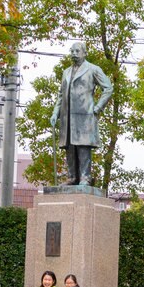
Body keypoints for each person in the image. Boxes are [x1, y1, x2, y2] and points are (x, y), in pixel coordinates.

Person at [50, 40, 113, 187]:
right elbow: (61, 95)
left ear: (85, 53)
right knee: (69, 147)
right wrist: (55, 113)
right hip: (67, 116)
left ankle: (85, 177)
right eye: (72, 51)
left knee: (83, 147)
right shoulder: (66, 72)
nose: (74, 54)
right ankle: (72, 177)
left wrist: (97, 108)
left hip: (85, 115)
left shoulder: (93, 69)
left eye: (77, 51)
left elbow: (108, 88)